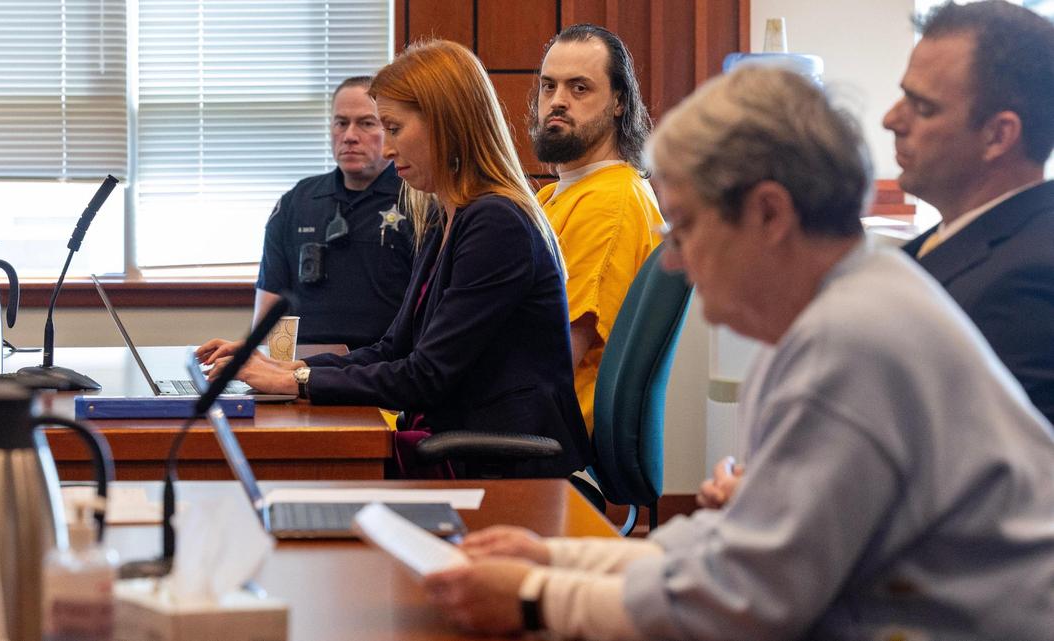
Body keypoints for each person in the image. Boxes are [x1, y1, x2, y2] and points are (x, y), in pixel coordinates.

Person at [421, 66, 1054, 640]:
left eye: (686, 228)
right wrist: (559, 557)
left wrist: (535, 598)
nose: (674, 261)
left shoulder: (850, 342)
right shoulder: (844, 307)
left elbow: (746, 602)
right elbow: (741, 545)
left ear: (769, 214)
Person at [199, 40, 592, 479]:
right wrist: (291, 367)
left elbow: (426, 376)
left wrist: (295, 382)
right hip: (459, 447)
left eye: (394, 128)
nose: (387, 150)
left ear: (444, 125)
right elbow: (394, 348)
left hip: (502, 467)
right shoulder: (449, 216)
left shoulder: (496, 224)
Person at [886, 0, 1054, 423]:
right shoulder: (939, 243)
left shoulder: (1030, 279)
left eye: (922, 107)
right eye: (902, 96)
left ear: (998, 136)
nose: (891, 120)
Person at [531, 24, 664, 433]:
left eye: (579, 88)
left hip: (544, 435)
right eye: (549, 86)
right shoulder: (554, 195)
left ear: (619, 101)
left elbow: (551, 361)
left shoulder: (610, 202)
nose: (557, 101)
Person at [254, 76, 413, 349]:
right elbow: (267, 314)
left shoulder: (415, 201)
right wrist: (265, 365)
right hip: (300, 363)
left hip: (383, 364)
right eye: (341, 123)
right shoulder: (296, 202)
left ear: (389, 130)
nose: (350, 136)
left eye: (366, 123)